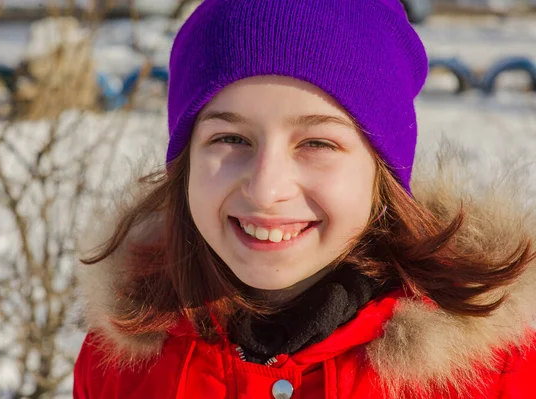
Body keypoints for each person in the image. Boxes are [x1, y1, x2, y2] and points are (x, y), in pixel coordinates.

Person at [72, 0, 536, 398]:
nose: (266, 189)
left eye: (316, 144)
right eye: (231, 138)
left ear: (383, 172)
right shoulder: (121, 364)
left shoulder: (494, 372)